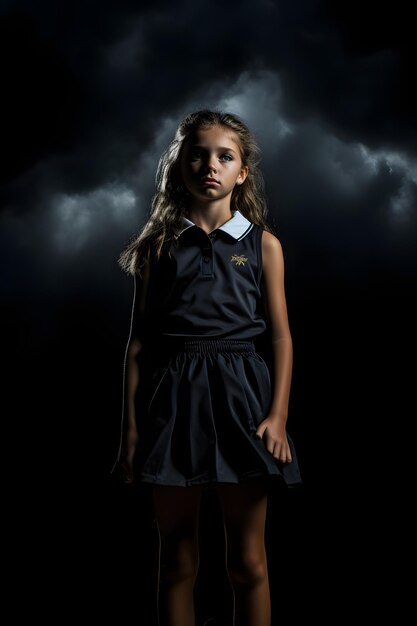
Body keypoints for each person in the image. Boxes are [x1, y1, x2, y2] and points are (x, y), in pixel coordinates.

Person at [112, 110, 302, 626]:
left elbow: (281, 336)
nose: (209, 165)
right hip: (172, 403)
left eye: (224, 156)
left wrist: (278, 416)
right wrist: (131, 435)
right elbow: (138, 345)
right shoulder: (158, 247)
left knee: (248, 563)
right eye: (198, 154)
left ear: (242, 172)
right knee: (176, 561)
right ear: (180, 166)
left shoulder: (263, 245)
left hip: (244, 401)